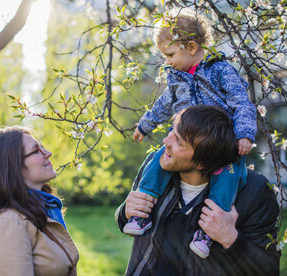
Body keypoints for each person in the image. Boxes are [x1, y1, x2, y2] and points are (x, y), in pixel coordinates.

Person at [124, 8, 257, 258]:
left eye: (171, 54)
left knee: (227, 177)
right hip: (185, 141)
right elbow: (164, 104)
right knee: (158, 160)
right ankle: (142, 213)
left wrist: (244, 134)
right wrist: (145, 124)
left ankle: (207, 232)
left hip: (220, 142)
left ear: (192, 47)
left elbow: (241, 101)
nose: (168, 61)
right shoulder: (177, 77)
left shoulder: (220, 70)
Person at [116, 105, 280, 275]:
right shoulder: (156, 166)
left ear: (203, 163)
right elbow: (124, 222)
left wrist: (231, 239)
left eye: (179, 141)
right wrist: (125, 212)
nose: (166, 141)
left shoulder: (254, 192)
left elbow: (269, 270)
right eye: (172, 131)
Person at [0, 126, 79, 275]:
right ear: (11, 166)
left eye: (43, 147)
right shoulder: (7, 224)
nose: (48, 153)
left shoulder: (39, 212)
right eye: (36, 151)